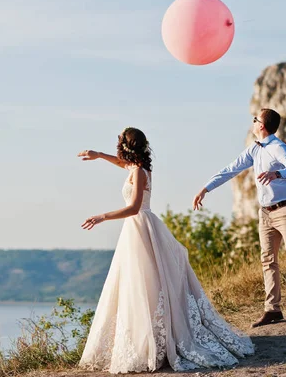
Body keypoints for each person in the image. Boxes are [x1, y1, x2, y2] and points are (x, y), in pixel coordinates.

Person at [77, 127, 254, 374]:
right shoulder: (138, 168)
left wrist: (102, 216)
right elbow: (123, 165)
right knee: (140, 285)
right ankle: (148, 340)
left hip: (140, 226)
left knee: (148, 284)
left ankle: (157, 344)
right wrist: (100, 155)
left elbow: (134, 207)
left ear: (126, 146)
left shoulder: (139, 171)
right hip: (138, 229)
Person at [192, 108, 286, 329]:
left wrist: (277, 174)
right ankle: (272, 309)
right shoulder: (255, 150)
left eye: (255, 119)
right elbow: (231, 169)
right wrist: (205, 189)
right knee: (268, 261)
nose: (252, 121)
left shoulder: (277, 147)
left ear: (261, 126)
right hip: (265, 213)